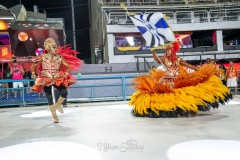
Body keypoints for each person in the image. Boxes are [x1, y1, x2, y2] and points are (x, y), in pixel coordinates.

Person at [129, 41, 231, 118]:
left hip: (178, 77)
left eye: (169, 50)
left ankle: (184, 108)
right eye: (167, 50)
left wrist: (195, 68)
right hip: (167, 77)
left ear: (173, 50)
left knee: (180, 94)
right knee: (161, 92)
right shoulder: (164, 58)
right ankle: (168, 109)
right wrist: (153, 51)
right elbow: (156, 59)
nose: (167, 51)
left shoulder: (178, 59)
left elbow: (186, 64)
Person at [30, 38, 81, 123]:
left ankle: (58, 105)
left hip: (56, 78)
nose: (56, 49)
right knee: (49, 96)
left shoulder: (59, 58)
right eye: (54, 47)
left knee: (64, 92)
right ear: (49, 48)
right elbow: (33, 65)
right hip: (46, 78)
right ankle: (54, 115)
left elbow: (69, 67)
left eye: (56, 47)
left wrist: (66, 73)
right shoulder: (43, 57)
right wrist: (33, 73)